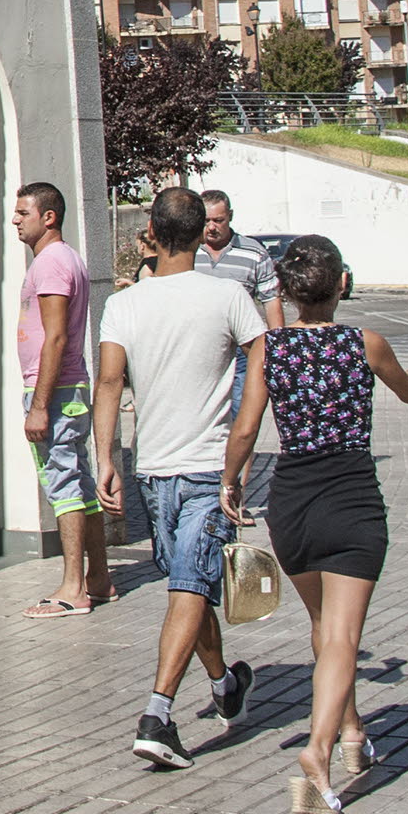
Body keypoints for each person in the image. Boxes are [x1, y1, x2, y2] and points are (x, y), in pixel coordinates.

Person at [221, 234, 408, 814]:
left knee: (322, 625)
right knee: (341, 637)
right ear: (342, 285)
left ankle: (354, 731)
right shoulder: (367, 344)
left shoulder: (271, 350)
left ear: (285, 290)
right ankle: (318, 752)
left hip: (292, 505)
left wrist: (231, 483)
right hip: (351, 502)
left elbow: (245, 427)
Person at [94, 186, 265, 769]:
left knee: (188, 584)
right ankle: (222, 685)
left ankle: (157, 713)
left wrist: (106, 459)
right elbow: (260, 379)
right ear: (202, 234)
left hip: (156, 470)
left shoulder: (124, 305)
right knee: (190, 588)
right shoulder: (230, 296)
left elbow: (110, 385)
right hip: (201, 468)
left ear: (151, 232)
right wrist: (238, 462)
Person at [13, 182, 111, 617]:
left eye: (23, 213)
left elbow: (55, 337)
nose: (15, 220)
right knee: (80, 483)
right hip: (67, 389)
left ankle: (74, 588)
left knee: (64, 484)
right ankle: (100, 578)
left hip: (53, 391)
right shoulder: (63, 258)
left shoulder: (51, 263)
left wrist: (39, 405)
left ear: (48, 217)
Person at [196, 190, 285, 329]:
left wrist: (277, 343)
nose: (212, 227)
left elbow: (271, 301)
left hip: (241, 343)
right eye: (206, 221)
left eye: (218, 220)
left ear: (230, 216)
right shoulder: (188, 252)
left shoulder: (255, 253)